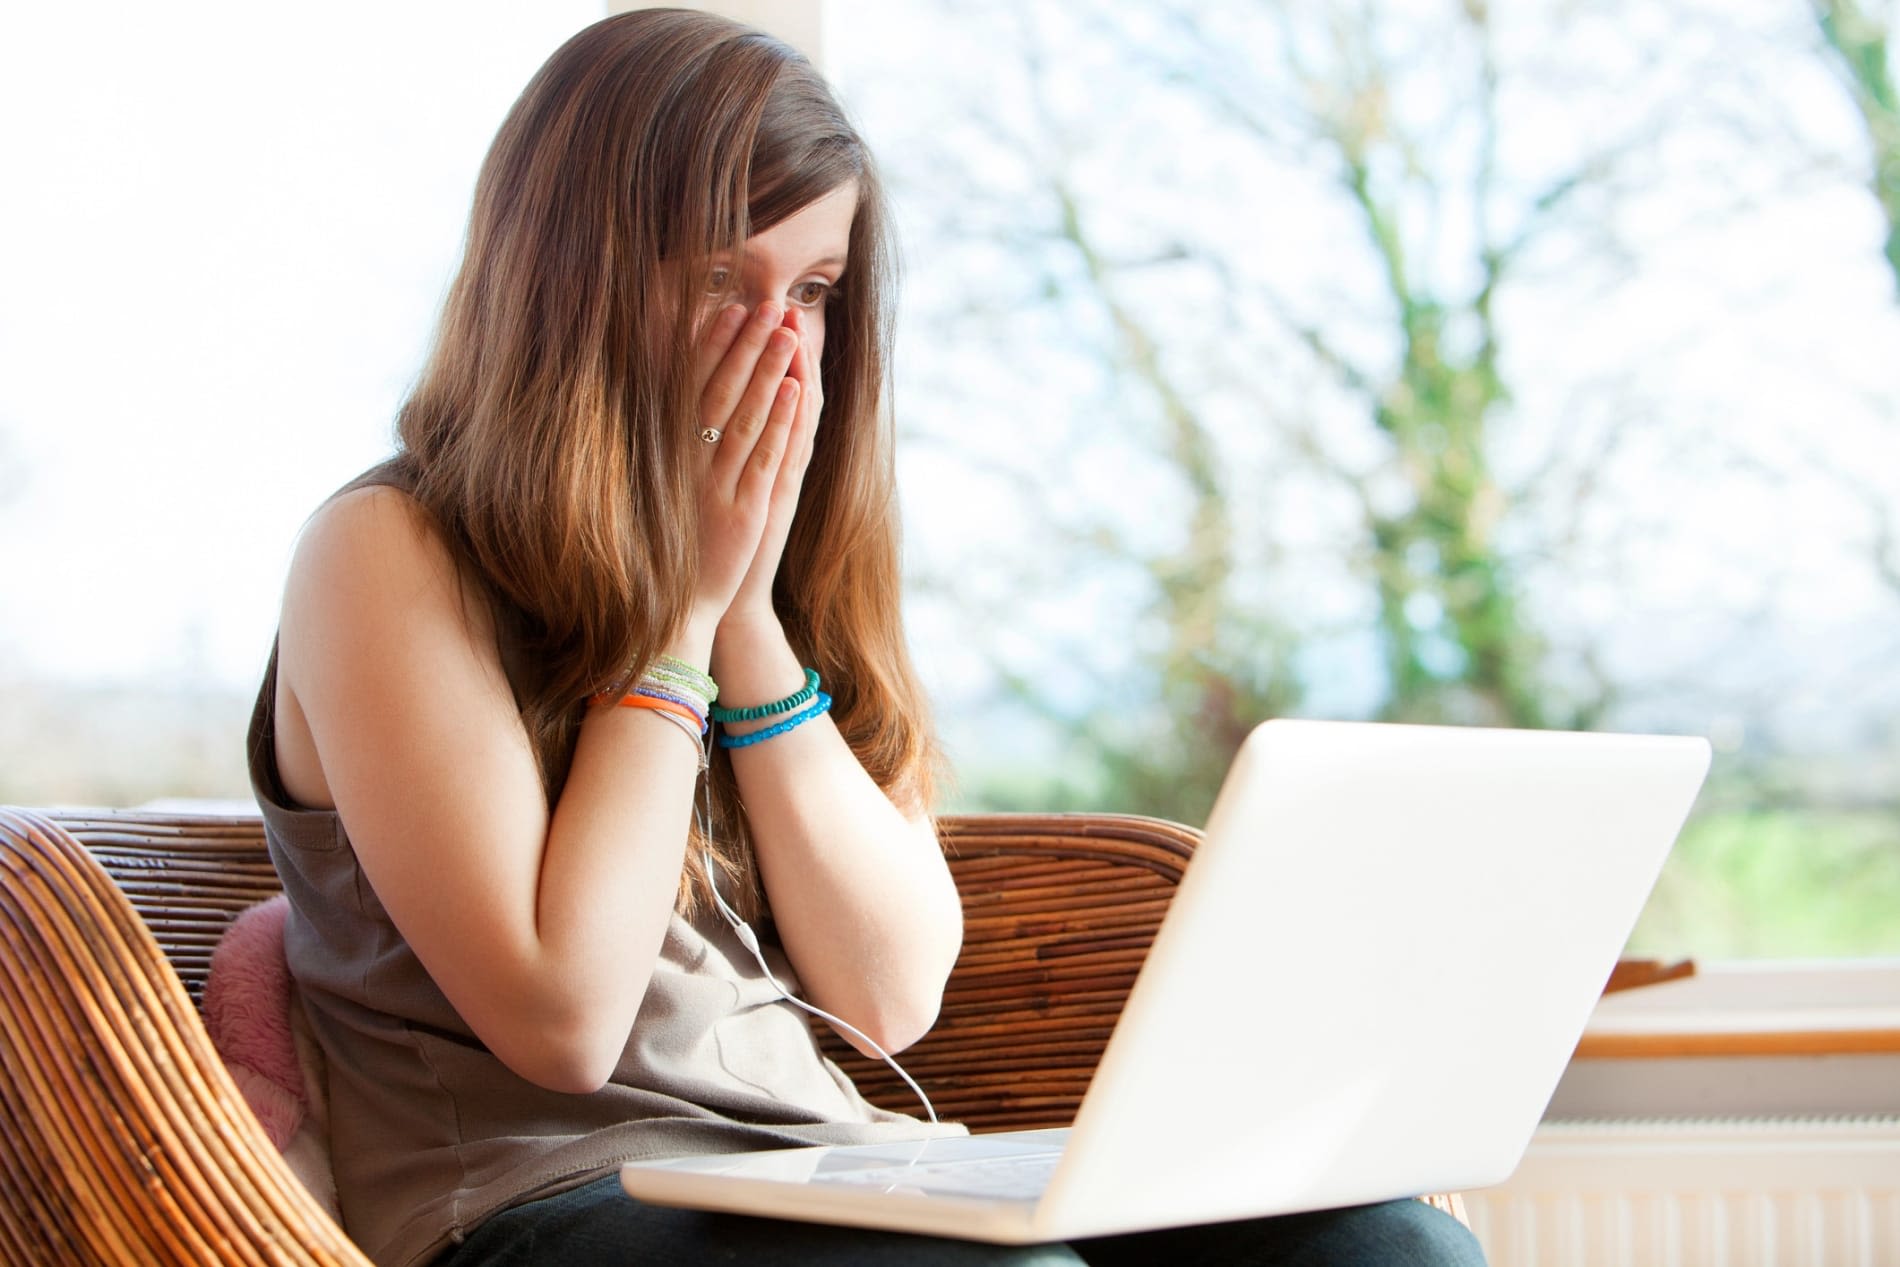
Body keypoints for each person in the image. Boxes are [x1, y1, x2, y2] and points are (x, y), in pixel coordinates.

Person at [249, 9, 1488, 1266]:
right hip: (542, 1198)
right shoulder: (384, 552)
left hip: (825, 1162)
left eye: (815, 291)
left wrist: (745, 617)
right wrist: (678, 617)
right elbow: (561, 1020)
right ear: (573, 278)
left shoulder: (778, 569)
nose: (778, 345)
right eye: (721, 283)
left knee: (1385, 1249)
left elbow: (892, 992)